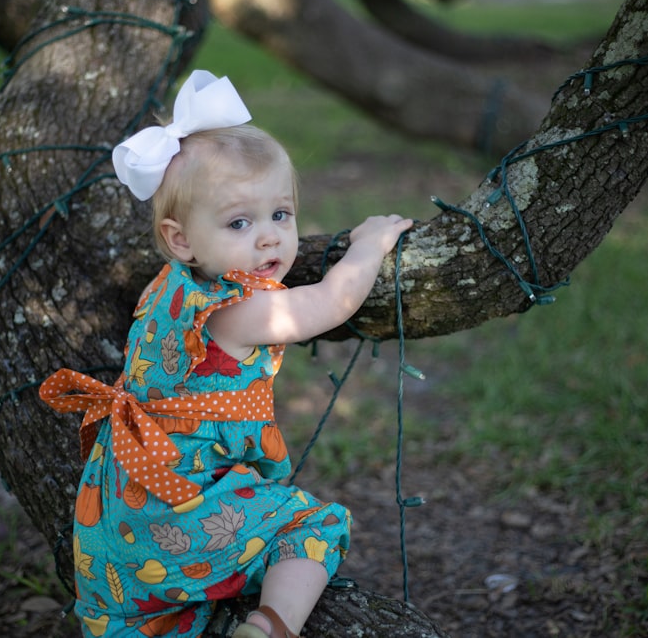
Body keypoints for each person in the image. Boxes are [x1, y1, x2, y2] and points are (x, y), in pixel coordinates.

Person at [40, 70, 413, 638]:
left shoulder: (169, 286)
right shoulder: (239, 311)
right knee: (313, 524)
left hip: (117, 511)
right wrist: (368, 245)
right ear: (181, 238)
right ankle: (268, 627)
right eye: (240, 222)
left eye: (280, 215)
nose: (269, 238)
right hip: (178, 508)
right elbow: (331, 302)